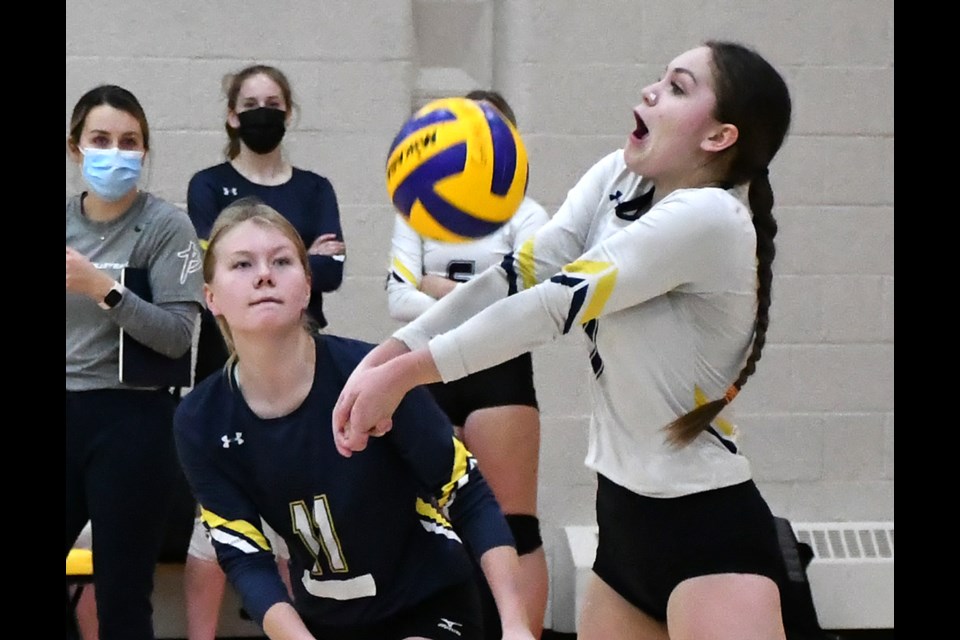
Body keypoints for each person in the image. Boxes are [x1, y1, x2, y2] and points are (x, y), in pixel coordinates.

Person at [332, 41, 819, 640]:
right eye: (659, 77)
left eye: (678, 87)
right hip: (623, 523)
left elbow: (553, 303)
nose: (651, 90)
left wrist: (406, 376)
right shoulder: (618, 177)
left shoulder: (711, 219)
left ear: (718, 138)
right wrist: (392, 352)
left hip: (708, 536)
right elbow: (516, 275)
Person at [173, 199, 535, 640]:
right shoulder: (200, 420)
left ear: (307, 287)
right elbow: (246, 557)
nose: (264, 274)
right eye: (242, 264)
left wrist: (515, 624)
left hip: (428, 604)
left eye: (282, 261)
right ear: (211, 298)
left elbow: (467, 492)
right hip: (323, 623)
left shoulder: (372, 375)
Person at [183, 63, 346, 638]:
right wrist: (304, 251)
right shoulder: (207, 183)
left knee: (294, 514)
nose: (262, 111)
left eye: (273, 102)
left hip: (302, 362)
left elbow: (333, 271)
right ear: (232, 115)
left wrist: (316, 264)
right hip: (227, 363)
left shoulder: (315, 186)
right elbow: (311, 261)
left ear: (288, 111)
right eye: (250, 102)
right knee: (215, 527)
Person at [387, 89, 550, 639]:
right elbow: (395, 296)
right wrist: (477, 294)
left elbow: (530, 296)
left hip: (499, 373)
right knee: (443, 523)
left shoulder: (527, 214)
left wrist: (437, 288)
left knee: (514, 525)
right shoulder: (418, 209)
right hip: (431, 371)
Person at [66, 84, 205, 639]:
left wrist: (103, 288)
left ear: (145, 152)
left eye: (130, 142)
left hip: (135, 421)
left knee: (124, 594)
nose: (116, 152)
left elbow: (177, 337)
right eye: (101, 139)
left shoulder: (168, 226)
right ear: (76, 147)